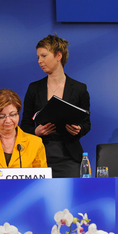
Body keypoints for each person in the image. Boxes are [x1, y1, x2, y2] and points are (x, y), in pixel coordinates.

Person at [21, 34, 91, 178]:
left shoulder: (79, 89)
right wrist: (36, 132)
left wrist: (78, 130)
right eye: (38, 57)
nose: (40, 61)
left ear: (58, 55)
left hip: (70, 158)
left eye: (44, 56)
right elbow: (25, 125)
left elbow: (86, 124)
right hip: (39, 156)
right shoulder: (34, 88)